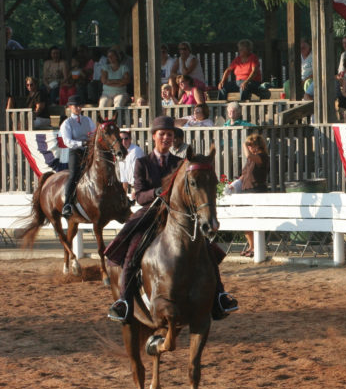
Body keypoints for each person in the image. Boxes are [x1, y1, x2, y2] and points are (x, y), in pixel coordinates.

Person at [106, 115, 238, 323]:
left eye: (170, 135)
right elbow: (139, 196)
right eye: (163, 134)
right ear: (154, 137)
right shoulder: (142, 163)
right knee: (132, 250)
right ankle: (123, 301)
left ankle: (220, 296)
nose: (166, 138)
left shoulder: (181, 164)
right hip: (151, 213)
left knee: (206, 250)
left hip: (178, 216)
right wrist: (157, 192)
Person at [57, 96, 96, 219]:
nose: (78, 108)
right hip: (76, 151)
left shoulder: (88, 120)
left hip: (89, 150)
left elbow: (94, 133)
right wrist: (82, 143)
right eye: (75, 106)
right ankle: (67, 203)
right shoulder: (67, 123)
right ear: (70, 107)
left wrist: (91, 141)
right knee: (74, 174)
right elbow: (68, 141)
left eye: (80, 106)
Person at [237, 133, 270, 257]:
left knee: (255, 221)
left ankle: (257, 247)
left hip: (257, 191)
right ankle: (251, 246)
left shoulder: (262, 156)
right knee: (246, 222)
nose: (249, 147)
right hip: (246, 190)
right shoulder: (250, 160)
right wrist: (234, 184)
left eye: (251, 145)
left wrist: (244, 145)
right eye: (248, 145)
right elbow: (244, 174)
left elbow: (249, 155)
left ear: (257, 145)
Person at [118, 129, 145, 201]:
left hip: (140, 187)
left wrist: (134, 191)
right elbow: (124, 178)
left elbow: (137, 174)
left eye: (126, 139)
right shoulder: (120, 153)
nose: (123, 141)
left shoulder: (136, 151)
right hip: (132, 188)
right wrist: (123, 196)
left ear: (130, 139)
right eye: (121, 139)